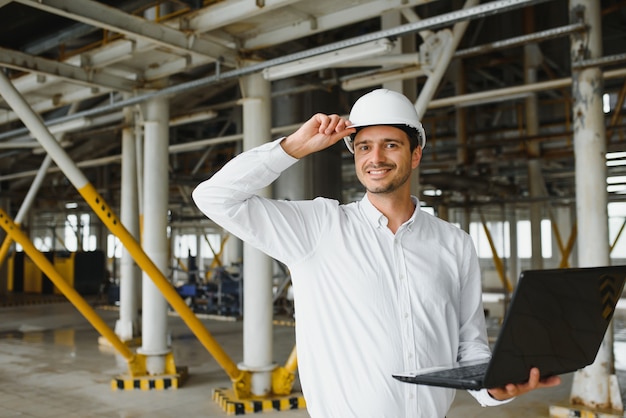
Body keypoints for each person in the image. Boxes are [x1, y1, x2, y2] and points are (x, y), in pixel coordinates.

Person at [192, 89, 560, 417]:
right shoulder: (318, 229)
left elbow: (470, 346)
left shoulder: (454, 243)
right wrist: (296, 146)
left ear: (415, 155)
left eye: (391, 144)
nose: (376, 157)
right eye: (364, 146)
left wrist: (493, 389)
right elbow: (214, 197)